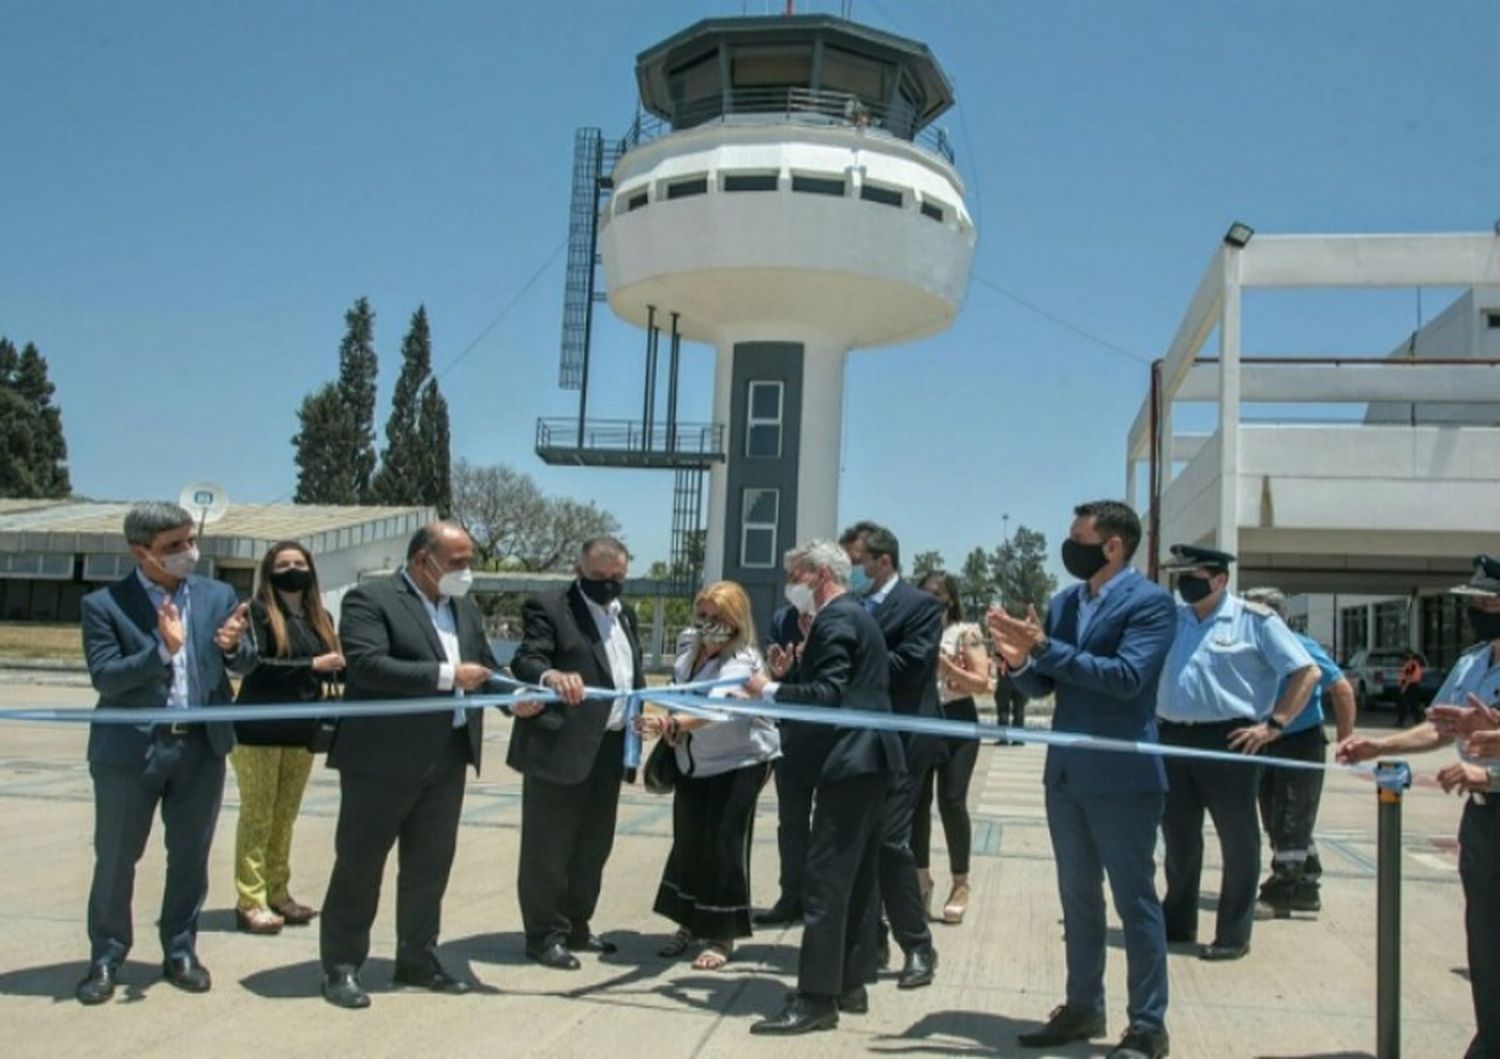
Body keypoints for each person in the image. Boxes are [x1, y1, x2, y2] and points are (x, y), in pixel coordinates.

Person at [989, 500, 1176, 1059]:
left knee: (1135, 903)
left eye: (1078, 538)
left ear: (1112, 545)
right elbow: (1046, 686)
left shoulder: (1152, 604)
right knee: (1078, 901)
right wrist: (1020, 663)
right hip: (1066, 777)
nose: (1069, 547)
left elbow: (1125, 678)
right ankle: (1082, 1007)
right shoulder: (1065, 601)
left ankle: (1147, 1026)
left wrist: (1044, 647)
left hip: (1124, 779)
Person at [75, 502, 255, 1005]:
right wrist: (161, 650)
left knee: (191, 856)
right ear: (141, 552)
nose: (187, 553)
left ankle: (180, 950)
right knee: (115, 857)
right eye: (173, 546)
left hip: (200, 748)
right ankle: (107, 956)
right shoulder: (105, 605)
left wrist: (233, 648)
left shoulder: (218, 595)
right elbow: (106, 676)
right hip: (131, 751)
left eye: (189, 541)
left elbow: (246, 661)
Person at [319, 522, 502, 1009]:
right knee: (360, 866)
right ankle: (341, 966)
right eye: (458, 562)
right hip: (382, 761)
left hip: (449, 757)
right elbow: (367, 665)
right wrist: (448, 676)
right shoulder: (370, 600)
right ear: (424, 559)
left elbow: (483, 666)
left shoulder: (463, 606)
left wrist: (520, 698)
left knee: (428, 869)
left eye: (469, 561)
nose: (466, 572)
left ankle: (418, 958)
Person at [1337, 555, 1500, 1059]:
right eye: (1475, 603)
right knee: (1487, 946)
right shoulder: (1476, 660)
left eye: (1489, 602)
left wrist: (1492, 770)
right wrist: (1379, 747)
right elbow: (1441, 727)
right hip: (1483, 818)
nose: (1479, 610)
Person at [744, 540, 903, 1035]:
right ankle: (850, 983)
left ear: (816, 575)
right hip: (868, 760)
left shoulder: (836, 619)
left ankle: (815, 997)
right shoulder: (853, 616)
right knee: (856, 879)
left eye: (794, 574)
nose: (791, 585)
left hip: (850, 760)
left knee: (827, 880)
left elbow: (831, 696)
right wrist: (798, 670)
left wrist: (767, 689)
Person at [1156, 544, 1319, 962]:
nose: (1185, 584)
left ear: (1221, 579)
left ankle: (1233, 932)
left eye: (1194, 576)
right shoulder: (1173, 620)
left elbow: (1306, 671)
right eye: (1180, 577)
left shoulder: (1254, 621)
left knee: (1238, 840)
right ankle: (1177, 920)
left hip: (1230, 739)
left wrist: (1275, 725)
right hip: (1172, 737)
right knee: (1178, 836)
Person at [508, 536, 644, 971]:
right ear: (579, 569)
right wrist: (551, 676)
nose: (608, 584)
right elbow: (527, 660)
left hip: (610, 746)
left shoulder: (627, 617)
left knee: (593, 845)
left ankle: (577, 925)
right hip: (560, 745)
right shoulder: (549, 607)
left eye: (617, 577)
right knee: (548, 847)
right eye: (598, 576)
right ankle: (544, 935)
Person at [640, 580, 779, 970]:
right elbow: (675, 690)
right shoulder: (688, 651)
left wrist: (671, 722)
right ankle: (689, 921)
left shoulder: (744, 661)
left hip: (740, 762)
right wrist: (664, 716)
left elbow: (718, 711)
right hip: (692, 761)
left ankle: (722, 934)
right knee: (689, 841)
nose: (707, 624)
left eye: (717, 617)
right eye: (702, 615)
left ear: (735, 621)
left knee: (724, 843)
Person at [839, 521, 942, 989]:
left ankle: (918, 945)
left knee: (890, 843)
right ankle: (869, 936)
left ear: (883, 561)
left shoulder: (921, 607)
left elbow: (910, 666)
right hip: (855, 744)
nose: (851, 571)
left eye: (856, 563)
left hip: (903, 743)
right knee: (858, 843)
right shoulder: (847, 606)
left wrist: (849, 664)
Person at [230, 541, 345, 935]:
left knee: (285, 817)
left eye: (299, 562)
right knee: (258, 815)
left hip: (302, 732)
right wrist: (311, 665)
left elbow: (334, 669)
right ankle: (251, 898)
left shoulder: (321, 617)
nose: (293, 569)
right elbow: (255, 665)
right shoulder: (258, 613)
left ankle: (278, 891)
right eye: (284, 563)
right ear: (270, 570)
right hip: (257, 731)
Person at [1239, 587, 1357, 920]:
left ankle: (1281, 893)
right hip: (1264, 740)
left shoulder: (1300, 646)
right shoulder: (1252, 646)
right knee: (1276, 818)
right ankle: (1306, 885)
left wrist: (1347, 739)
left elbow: (1341, 688)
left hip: (1299, 739)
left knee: (1292, 815)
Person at [913, 571, 989, 923]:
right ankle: (920, 877)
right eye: (924, 594)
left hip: (958, 720)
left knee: (952, 801)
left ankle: (960, 882)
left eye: (938, 595)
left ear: (951, 599)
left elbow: (984, 683)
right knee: (917, 802)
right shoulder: (913, 631)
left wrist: (945, 667)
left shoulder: (966, 634)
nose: (931, 601)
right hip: (922, 717)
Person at [756, 602, 812, 926]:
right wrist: (778, 669)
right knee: (791, 823)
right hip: (790, 734)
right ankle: (791, 895)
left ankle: (824, 899)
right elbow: (773, 668)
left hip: (834, 737)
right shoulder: (782, 618)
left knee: (834, 824)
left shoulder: (846, 612)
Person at [1396, 650, 1426, 727]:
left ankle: (1401, 722)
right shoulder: (1414, 665)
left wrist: (1404, 687)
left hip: (1410, 686)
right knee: (1414, 705)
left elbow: (1408, 677)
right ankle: (1418, 721)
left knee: (1404, 705)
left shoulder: (1412, 665)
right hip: (1413, 686)